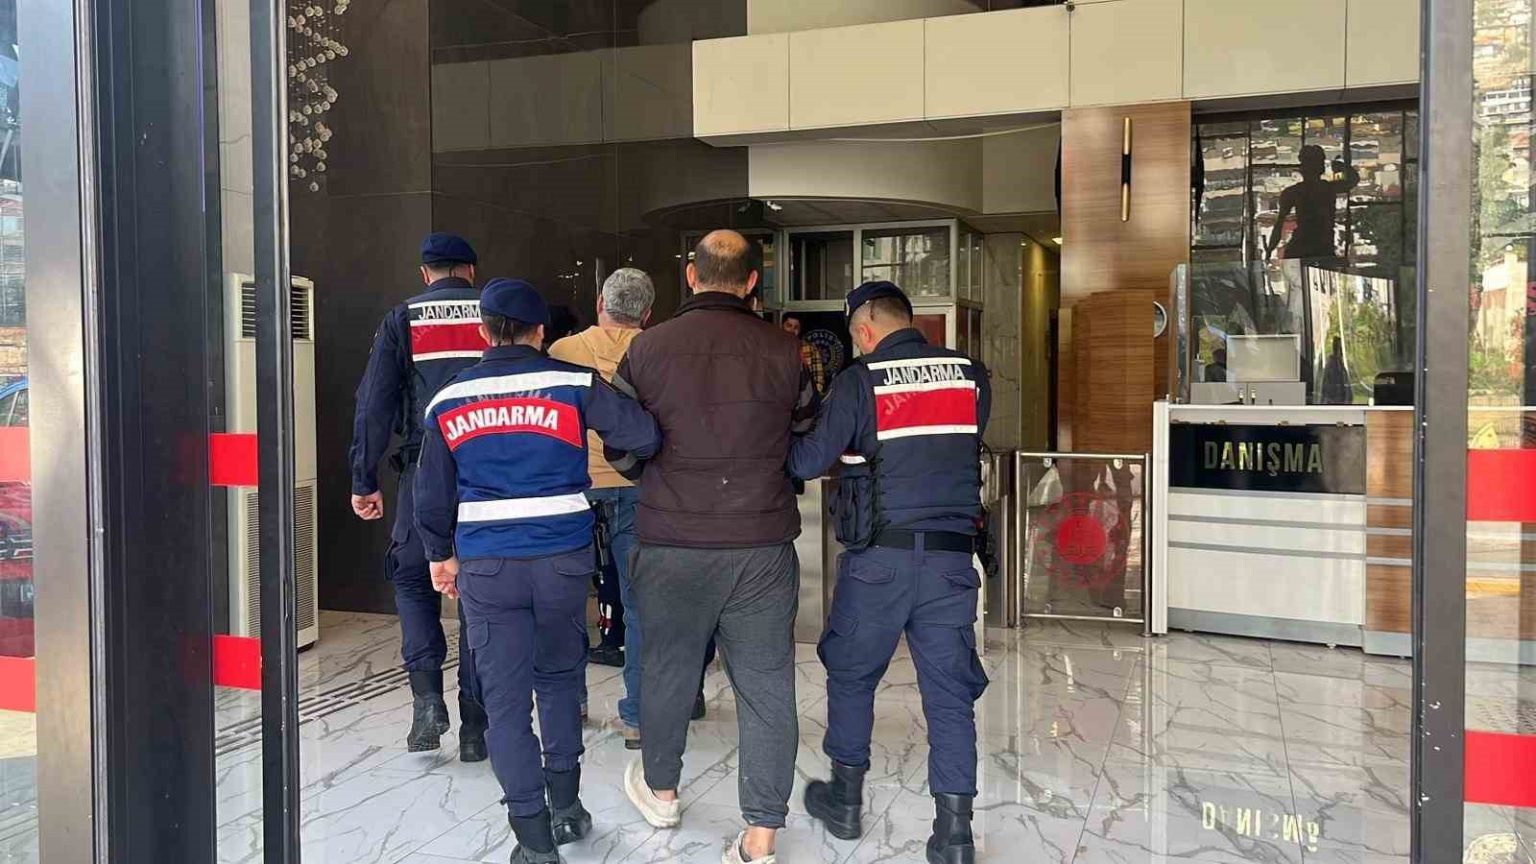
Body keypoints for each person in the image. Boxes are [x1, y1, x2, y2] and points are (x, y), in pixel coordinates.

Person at [415, 278, 661, 864]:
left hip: (487, 566)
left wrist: (439, 555)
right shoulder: (574, 382)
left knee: (505, 703)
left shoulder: (449, 399)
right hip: (562, 561)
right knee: (557, 681)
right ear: (540, 332)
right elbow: (643, 434)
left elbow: (431, 492)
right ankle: (568, 808)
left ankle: (533, 840)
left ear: (483, 331)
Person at [616, 230, 817, 864]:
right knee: (766, 685)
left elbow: (621, 442)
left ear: (690, 276)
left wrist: (654, 476)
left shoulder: (647, 348)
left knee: (668, 669)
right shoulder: (785, 351)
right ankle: (760, 835)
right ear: (753, 281)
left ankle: (662, 792)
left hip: (672, 540)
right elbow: (805, 433)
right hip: (762, 544)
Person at [788, 280, 992, 864]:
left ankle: (845, 803)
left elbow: (808, 460)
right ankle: (955, 835)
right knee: (950, 696)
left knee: (852, 675)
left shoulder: (861, 381)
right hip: (951, 563)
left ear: (864, 330)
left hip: (879, 562)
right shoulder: (970, 376)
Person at [348, 231, 489, 760]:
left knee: (411, 576)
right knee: (479, 589)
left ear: (425, 273)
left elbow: (373, 403)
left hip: (422, 468)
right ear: (471, 271)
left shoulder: (402, 318)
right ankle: (476, 725)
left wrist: (363, 478)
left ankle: (427, 701)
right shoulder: (494, 311)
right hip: (486, 470)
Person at [548, 267, 656, 745]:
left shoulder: (561, 351)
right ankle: (638, 716)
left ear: (599, 304)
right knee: (640, 604)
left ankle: (572, 705)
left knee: (569, 601)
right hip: (640, 487)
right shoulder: (657, 350)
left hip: (576, 488)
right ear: (647, 314)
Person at [1265, 144, 1360, 262]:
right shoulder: (1327, 188)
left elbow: (1279, 224)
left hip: (1304, 248)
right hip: (1321, 247)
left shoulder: (1293, 192)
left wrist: (1270, 250)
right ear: (1321, 168)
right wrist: (1339, 166)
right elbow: (1353, 180)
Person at [783, 314, 827, 395]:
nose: (792, 330)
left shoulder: (809, 349)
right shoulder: (774, 347)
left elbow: (818, 377)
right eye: (789, 326)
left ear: (800, 330)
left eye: (796, 327)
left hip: (802, 396)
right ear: (782, 326)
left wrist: (816, 397)